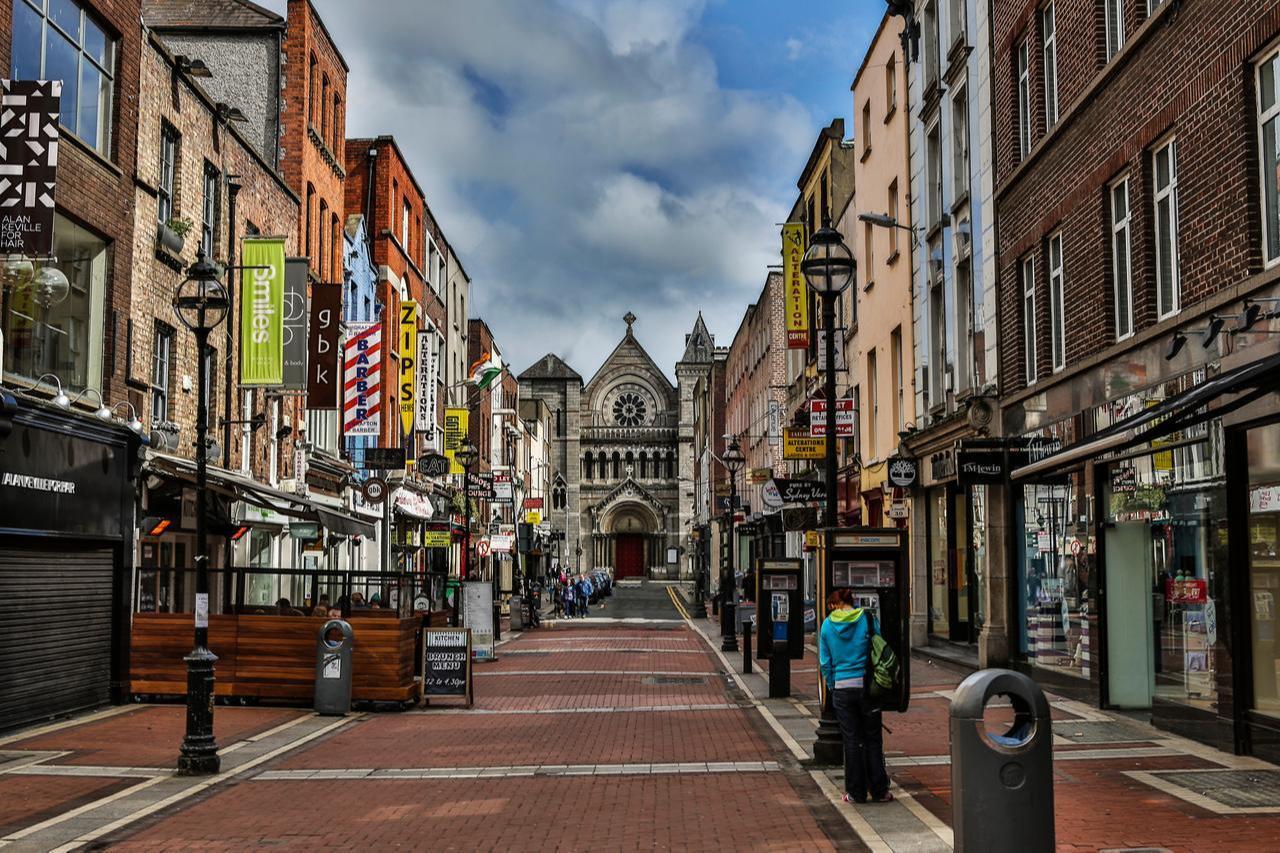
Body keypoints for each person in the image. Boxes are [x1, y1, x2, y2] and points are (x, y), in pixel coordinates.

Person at [819, 588, 892, 805]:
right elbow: (879, 647)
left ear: (834, 605)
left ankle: (855, 792)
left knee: (851, 740)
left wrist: (833, 685)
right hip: (866, 686)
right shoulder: (867, 619)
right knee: (872, 738)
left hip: (842, 687)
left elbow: (825, 662)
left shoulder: (827, 625)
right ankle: (879, 790)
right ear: (852, 602)